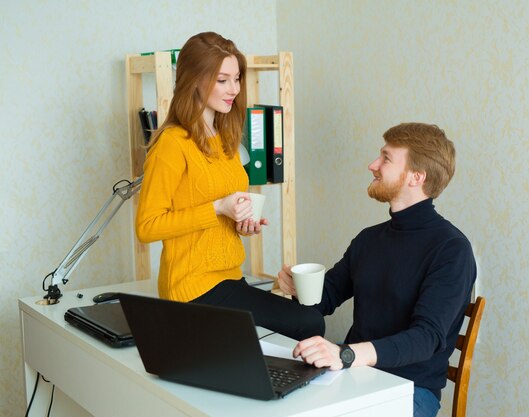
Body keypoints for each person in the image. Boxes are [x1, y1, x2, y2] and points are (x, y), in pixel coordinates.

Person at [278, 123, 476, 417]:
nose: (373, 165)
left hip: (412, 391)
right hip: (353, 376)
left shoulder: (451, 250)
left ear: (416, 177)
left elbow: (425, 339)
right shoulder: (369, 239)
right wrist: (298, 288)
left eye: (385, 158)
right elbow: (326, 298)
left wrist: (345, 354)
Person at [135, 32, 324, 340]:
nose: (234, 89)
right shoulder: (172, 143)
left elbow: (219, 216)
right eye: (222, 80)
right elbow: (147, 226)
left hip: (228, 277)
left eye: (236, 79)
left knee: (306, 319)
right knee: (309, 323)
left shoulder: (225, 138)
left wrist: (241, 224)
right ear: (194, 80)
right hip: (192, 287)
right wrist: (216, 209)